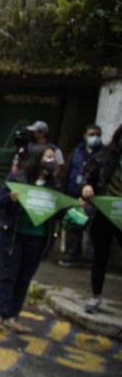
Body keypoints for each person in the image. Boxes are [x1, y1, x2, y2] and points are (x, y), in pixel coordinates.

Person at [0, 145, 61, 334]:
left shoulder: (54, 186)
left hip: (37, 239)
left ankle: (13, 316)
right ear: (37, 159)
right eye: (47, 157)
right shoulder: (17, 178)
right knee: (7, 275)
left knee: (23, 278)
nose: (51, 161)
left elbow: (59, 212)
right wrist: (10, 198)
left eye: (53, 158)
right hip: (13, 235)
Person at [81, 123, 122, 313]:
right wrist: (88, 186)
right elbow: (89, 175)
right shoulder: (106, 156)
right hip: (105, 212)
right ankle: (95, 296)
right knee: (100, 256)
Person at [59, 124, 104, 267]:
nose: (94, 137)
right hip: (73, 195)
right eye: (91, 134)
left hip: (93, 198)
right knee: (73, 224)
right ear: (85, 135)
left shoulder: (103, 154)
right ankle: (73, 255)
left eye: (97, 134)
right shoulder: (76, 152)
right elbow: (68, 172)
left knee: (93, 228)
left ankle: (96, 259)